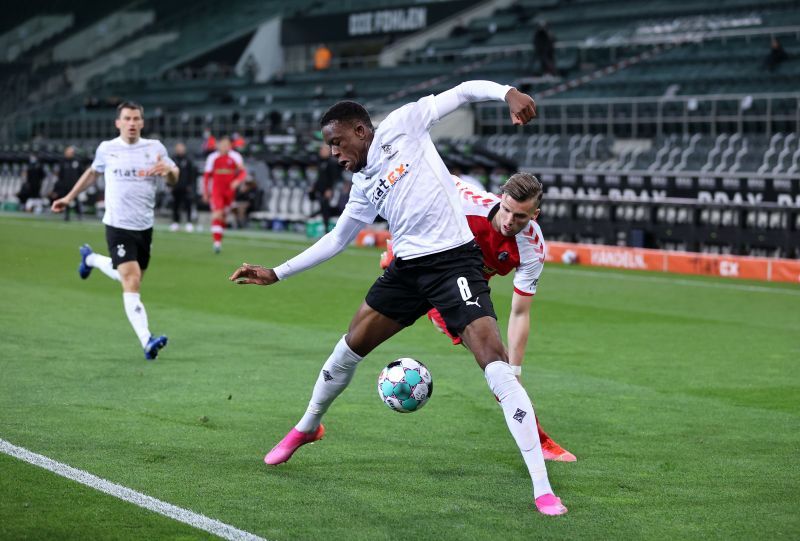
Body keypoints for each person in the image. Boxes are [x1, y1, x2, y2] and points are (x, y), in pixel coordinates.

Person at [229, 80, 568, 516]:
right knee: (346, 349)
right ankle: (307, 427)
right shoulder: (363, 186)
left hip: (454, 264)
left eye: (337, 142)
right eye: (329, 145)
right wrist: (277, 272)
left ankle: (542, 487)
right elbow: (336, 240)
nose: (333, 152)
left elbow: (463, 92)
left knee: (496, 365)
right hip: (406, 272)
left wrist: (507, 93)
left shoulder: (404, 124)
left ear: (360, 130)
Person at [381, 173, 576, 462]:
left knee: (501, 368)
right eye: (506, 209)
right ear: (500, 199)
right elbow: (427, 179)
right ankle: (541, 442)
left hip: (467, 290)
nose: (509, 220)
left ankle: (539, 441)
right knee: (493, 362)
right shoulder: (467, 203)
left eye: (521, 216)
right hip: (430, 261)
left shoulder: (531, 247)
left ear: (535, 214)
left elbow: (520, 312)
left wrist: (516, 371)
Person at [50, 101, 178, 360]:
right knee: (131, 280)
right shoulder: (107, 149)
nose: (132, 123)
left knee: (133, 276)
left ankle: (91, 259)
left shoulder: (155, 148)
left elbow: (173, 177)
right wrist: (69, 197)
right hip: (117, 225)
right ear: (118, 122)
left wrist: (169, 172)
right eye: (127, 119)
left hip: (144, 226)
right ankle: (147, 341)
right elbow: (92, 173)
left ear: (142, 122)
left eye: (136, 119)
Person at [202, 135, 247, 253]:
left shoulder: (235, 156)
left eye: (227, 144)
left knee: (224, 216)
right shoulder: (212, 157)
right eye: (222, 144)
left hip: (229, 192)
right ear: (218, 145)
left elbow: (243, 172)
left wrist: (237, 181)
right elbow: (206, 177)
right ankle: (216, 243)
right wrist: (206, 192)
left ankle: (219, 240)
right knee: (217, 213)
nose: (225, 147)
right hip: (216, 190)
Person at [309, 144, 343, 232]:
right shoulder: (320, 162)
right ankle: (319, 223)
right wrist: (314, 187)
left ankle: (326, 228)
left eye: (324, 150)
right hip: (320, 188)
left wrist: (330, 189)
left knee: (325, 209)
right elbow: (320, 177)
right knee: (322, 207)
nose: (321, 152)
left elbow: (333, 178)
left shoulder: (332, 162)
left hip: (327, 190)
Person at [51, 146, 85, 220]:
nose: (70, 154)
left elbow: (82, 173)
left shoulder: (77, 161)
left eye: (71, 152)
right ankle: (66, 215)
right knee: (65, 200)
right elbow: (60, 175)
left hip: (75, 186)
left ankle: (79, 215)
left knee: (76, 201)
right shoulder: (63, 162)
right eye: (68, 152)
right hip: (65, 186)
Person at [169, 142, 198, 232]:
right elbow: (169, 173)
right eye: (178, 148)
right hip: (175, 186)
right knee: (175, 205)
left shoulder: (188, 160)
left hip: (186, 187)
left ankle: (189, 223)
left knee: (188, 205)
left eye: (181, 148)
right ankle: (175, 222)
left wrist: (191, 185)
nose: (180, 150)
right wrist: (170, 185)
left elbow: (192, 174)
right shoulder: (172, 159)